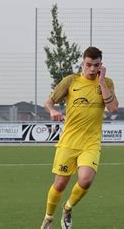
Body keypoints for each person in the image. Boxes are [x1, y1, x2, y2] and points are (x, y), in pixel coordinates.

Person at [40, 47, 118, 229]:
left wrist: (101, 83)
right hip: (68, 141)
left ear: (101, 65)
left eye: (96, 65)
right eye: (88, 65)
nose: (92, 69)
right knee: (59, 185)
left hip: (91, 142)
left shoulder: (106, 82)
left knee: (85, 180)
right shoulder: (71, 81)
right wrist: (52, 110)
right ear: (82, 63)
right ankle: (48, 218)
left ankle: (67, 208)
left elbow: (113, 108)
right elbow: (49, 101)